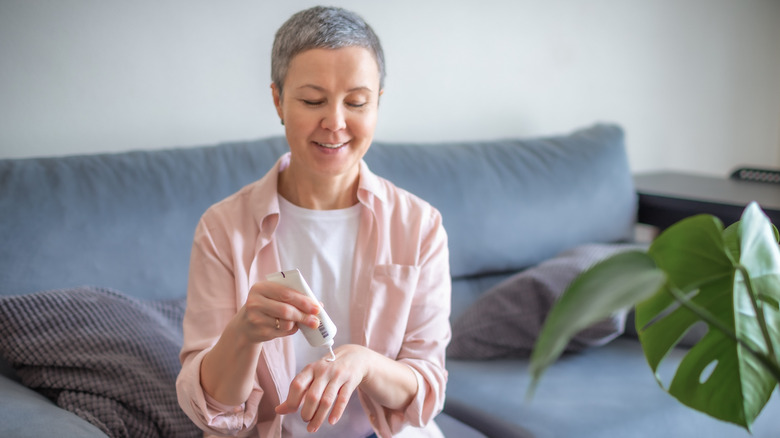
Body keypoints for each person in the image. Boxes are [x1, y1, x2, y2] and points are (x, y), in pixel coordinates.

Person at [176, 6, 451, 438]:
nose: (336, 123)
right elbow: (211, 409)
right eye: (312, 100)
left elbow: (427, 390)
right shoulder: (223, 228)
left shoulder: (419, 225)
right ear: (277, 101)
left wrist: (364, 361)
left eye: (356, 102)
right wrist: (243, 334)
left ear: (377, 103)